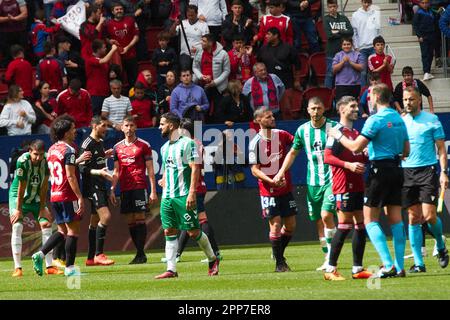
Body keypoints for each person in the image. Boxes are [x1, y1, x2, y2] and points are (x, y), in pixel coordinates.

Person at [327, 83, 410, 278]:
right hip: (397, 169)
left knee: (369, 220)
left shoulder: (374, 120)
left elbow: (355, 147)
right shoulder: (399, 119)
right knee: (396, 220)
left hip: (379, 171)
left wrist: (337, 134)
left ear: (374, 97)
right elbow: (406, 152)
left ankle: (388, 265)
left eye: (368, 97)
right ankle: (399, 267)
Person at [274, 97, 337, 271]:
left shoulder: (333, 127)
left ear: (324, 109)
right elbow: (292, 153)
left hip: (332, 179)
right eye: (313, 109)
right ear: (307, 110)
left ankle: (332, 257)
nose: (316, 112)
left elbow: (346, 147)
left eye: (319, 108)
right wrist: (280, 172)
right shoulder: (302, 131)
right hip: (312, 183)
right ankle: (327, 257)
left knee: (326, 216)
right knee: (318, 221)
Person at [155, 112, 219, 279]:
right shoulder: (164, 147)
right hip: (167, 196)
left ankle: (213, 258)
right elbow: (168, 169)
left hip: (184, 195)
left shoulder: (187, 144)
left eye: (162, 124)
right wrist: (163, 180)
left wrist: (192, 193)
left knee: (193, 231)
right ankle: (171, 269)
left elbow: (195, 168)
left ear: (171, 125)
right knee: (169, 230)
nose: (159, 127)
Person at [323, 96, 372, 281]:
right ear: (341, 109)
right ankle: (330, 269)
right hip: (343, 184)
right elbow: (327, 157)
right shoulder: (336, 132)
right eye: (352, 106)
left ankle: (357, 269)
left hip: (358, 184)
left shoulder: (356, 133)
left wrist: (364, 157)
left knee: (361, 226)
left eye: (356, 106)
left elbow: (358, 156)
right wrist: (348, 165)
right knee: (344, 226)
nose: (356, 109)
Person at [401, 86, 449, 273]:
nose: (408, 103)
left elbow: (442, 149)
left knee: (429, 216)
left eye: (411, 99)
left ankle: (440, 245)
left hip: (427, 171)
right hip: (407, 172)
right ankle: (419, 263)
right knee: (413, 218)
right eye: (405, 100)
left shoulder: (432, 120)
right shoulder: (401, 121)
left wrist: (443, 172)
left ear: (419, 100)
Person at [32, 115, 86, 277]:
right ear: (65, 133)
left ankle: (40, 254)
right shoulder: (68, 150)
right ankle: (70, 269)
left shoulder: (52, 149)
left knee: (62, 230)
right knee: (73, 231)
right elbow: (70, 176)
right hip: (68, 195)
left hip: (54, 195)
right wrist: (79, 197)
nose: (75, 131)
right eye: (72, 129)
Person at [249, 107, 297, 272]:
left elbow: (297, 145)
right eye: (267, 117)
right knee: (275, 224)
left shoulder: (282, 134)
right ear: (258, 121)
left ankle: (277, 252)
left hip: (286, 188)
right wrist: (272, 180)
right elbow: (254, 170)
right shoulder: (255, 142)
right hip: (268, 190)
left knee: (290, 225)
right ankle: (279, 263)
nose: (272, 118)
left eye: (272, 116)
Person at [9, 140, 62, 277]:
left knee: (46, 224)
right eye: (35, 154)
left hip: (37, 196)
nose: (37, 158)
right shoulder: (22, 161)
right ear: (29, 152)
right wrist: (18, 209)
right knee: (17, 226)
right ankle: (18, 268)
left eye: (40, 155)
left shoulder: (46, 160)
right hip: (18, 195)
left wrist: (43, 207)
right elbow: (21, 187)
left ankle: (49, 266)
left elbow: (45, 185)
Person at [110, 115, 158, 264]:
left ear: (135, 127)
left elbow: (150, 169)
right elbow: (116, 171)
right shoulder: (117, 147)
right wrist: (112, 188)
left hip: (139, 186)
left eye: (131, 125)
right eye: (126, 126)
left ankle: (140, 253)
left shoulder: (144, 145)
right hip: (125, 188)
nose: (129, 129)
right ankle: (139, 253)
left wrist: (153, 191)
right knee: (130, 220)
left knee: (139, 218)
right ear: (122, 127)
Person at [80, 116, 115, 266]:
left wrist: (104, 155)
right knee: (106, 217)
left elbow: (95, 159)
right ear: (94, 126)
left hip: (100, 184)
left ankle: (90, 258)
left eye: (107, 126)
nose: (106, 129)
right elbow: (82, 168)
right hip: (92, 186)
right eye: (103, 126)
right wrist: (99, 173)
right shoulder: (87, 143)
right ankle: (99, 254)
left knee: (94, 221)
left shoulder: (99, 143)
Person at [192, 33, 230, 122]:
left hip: (218, 87)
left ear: (210, 43)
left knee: (219, 111)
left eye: (204, 41)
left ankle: (219, 129)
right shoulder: (199, 52)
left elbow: (227, 71)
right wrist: (201, 77)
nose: (201, 43)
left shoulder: (223, 53)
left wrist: (215, 82)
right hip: (203, 85)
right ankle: (202, 130)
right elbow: (195, 67)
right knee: (202, 110)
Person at [104, 2, 139, 87]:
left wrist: (128, 47)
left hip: (131, 55)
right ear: (112, 12)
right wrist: (109, 41)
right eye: (117, 9)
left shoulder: (130, 20)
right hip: (116, 58)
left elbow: (136, 36)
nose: (119, 11)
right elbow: (105, 38)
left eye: (121, 9)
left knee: (133, 80)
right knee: (118, 80)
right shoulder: (108, 24)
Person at [168, 5, 209, 70]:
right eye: (188, 15)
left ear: (196, 13)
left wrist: (199, 49)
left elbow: (207, 41)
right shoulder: (182, 23)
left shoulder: (203, 25)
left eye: (192, 15)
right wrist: (175, 24)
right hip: (185, 53)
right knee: (185, 71)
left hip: (199, 54)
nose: (190, 17)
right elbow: (171, 34)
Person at [323, 0, 353, 89]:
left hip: (344, 51)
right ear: (327, 7)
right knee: (330, 74)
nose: (332, 9)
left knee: (345, 73)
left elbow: (351, 32)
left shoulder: (343, 18)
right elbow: (329, 35)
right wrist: (344, 32)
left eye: (334, 6)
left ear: (337, 7)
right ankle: (327, 95)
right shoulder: (326, 19)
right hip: (331, 51)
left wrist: (337, 31)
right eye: (330, 7)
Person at [351, 0, 381, 87]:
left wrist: (377, 45)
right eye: (365, 2)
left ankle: (375, 92)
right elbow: (354, 32)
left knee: (374, 72)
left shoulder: (376, 13)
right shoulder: (355, 15)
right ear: (361, 2)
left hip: (373, 47)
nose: (367, 4)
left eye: (369, 2)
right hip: (362, 48)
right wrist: (356, 47)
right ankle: (363, 93)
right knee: (363, 73)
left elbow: (378, 30)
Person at [86, 39, 119, 115]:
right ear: (98, 50)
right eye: (104, 48)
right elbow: (104, 60)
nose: (105, 49)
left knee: (106, 116)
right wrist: (113, 49)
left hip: (105, 92)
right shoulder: (91, 60)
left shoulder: (102, 60)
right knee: (96, 116)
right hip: (95, 93)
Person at [413, 0, 438, 81]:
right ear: (420, 4)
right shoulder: (419, 13)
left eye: (426, 3)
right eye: (422, 3)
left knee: (431, 54)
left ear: (429, 3)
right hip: (423, 36)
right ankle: (426, 72)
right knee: (425, 54)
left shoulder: (431, 12)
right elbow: (415, 25)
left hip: (432, 35)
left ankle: (428, 71)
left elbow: (435, 23)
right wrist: (419, 35)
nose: (424, 4)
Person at [0, 0, 28, 68]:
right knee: (7, 54)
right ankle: (7, 72)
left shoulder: (19, 0)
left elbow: (25, 13)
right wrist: (8, 18)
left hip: (19, 31)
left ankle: (23, 68)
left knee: (22, 51)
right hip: (5, 32)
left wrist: (15, 18)